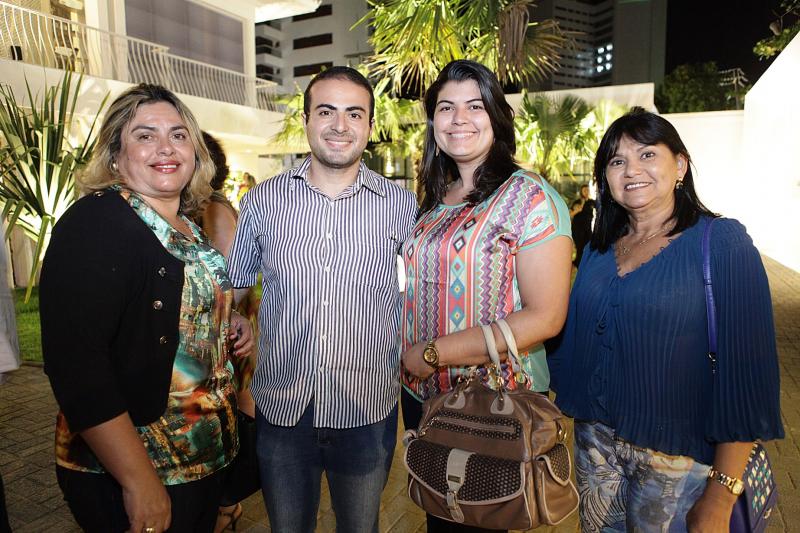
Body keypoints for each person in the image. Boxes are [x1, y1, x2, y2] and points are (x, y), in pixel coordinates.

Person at [548, 108, 784, 531]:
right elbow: (572, 340)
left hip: (679, 462)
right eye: (617, 161)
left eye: (647, 154)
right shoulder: (599, 251)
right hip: (595, 450)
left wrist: (721, 495)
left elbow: (748, 374)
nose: (631, 170)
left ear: (680, 165)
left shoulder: (722, 242)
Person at [39, 84, 254, 533]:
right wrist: (138, 482)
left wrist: (225, 319)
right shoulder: (97, 223)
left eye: (178, 135)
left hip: (200, 460)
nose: (165, 147)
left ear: (195, 152)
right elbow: (77, 367)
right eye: (145, 135)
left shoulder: (184, 224)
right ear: (116, 155)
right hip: (140, 468)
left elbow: (170, 310)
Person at [226, 66, 417, 532]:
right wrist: (235, 317)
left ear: (370, 126)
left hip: (367, 408)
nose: (340, 125)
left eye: (354, 113)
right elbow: (236, 285)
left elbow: (418, 293)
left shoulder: (401, 205)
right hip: (283, 409)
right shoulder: (263, 201)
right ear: (307, 119)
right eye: (327, 111)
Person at [400, 60, 573, 533]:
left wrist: (433, 353)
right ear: (432, 121)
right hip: (424, 394)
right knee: (440, 515)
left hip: (494, 402)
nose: (459, 118)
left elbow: (545, 317)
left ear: (496, 117)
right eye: (446, 107)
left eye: (474, 106)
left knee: (483, 518)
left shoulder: (528, 197)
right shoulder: (434, 200)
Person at [195, 132, 259, 532]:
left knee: (235, 405)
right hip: (220, 332)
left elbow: (231, 283)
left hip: (224, 331)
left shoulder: (214, 210)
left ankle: (227, 501)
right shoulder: (194, 208)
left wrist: (224, 316)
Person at [571, 198, 595, 267]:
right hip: (578, 232)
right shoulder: (578, 202)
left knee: (584, 248)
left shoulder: (590, 202)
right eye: (584, 190)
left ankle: (579, 263)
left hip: (584, 231)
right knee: (580, 249)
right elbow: (572, 212)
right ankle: (578, 263)